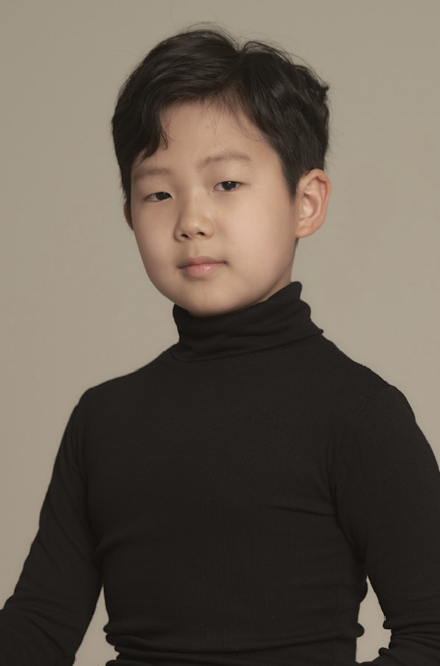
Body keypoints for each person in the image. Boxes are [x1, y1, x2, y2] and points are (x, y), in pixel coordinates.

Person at [1, 26, 439, 666]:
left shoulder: (360, 413)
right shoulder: (103, 420)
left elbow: (433, 634)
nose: (191, 221)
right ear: (130, 216)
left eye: (226, 184)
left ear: (306, 202)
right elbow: (37, 628)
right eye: (158, 193)